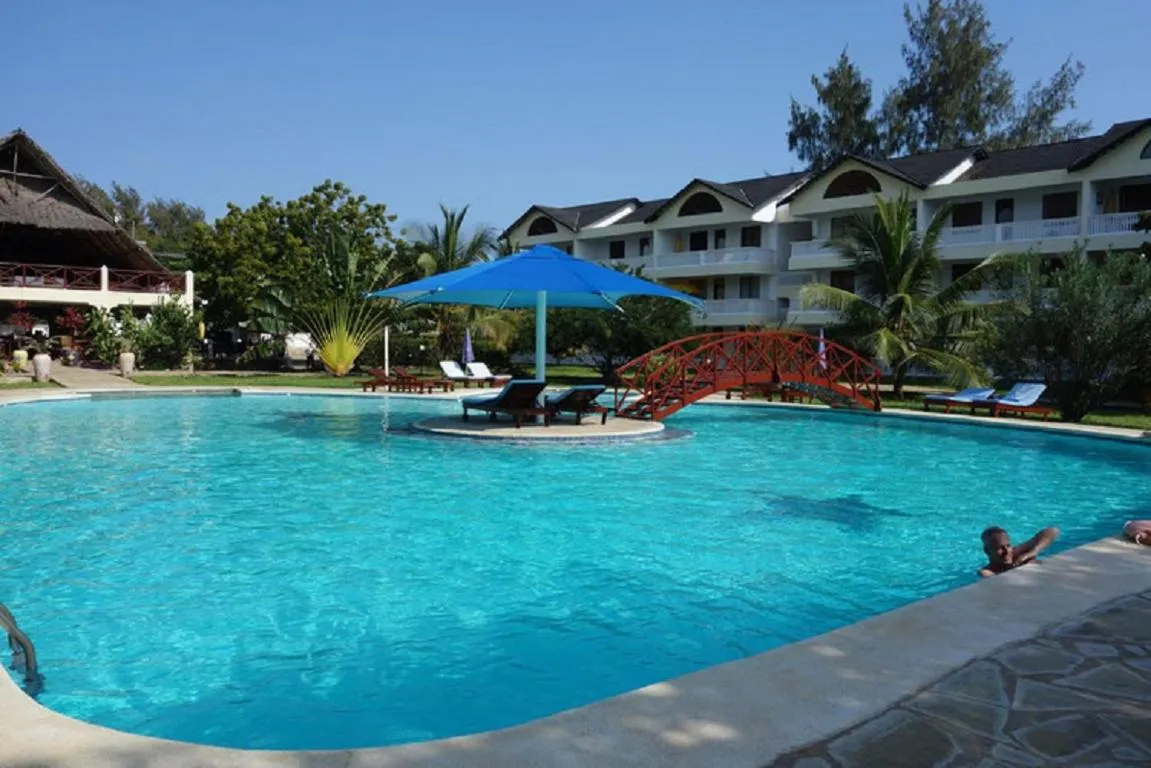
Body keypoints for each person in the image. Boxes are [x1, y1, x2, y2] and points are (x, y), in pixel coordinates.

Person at [979, 526, 1060, 577]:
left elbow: (1053, 531)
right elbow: (998, 581)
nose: (1007, 551)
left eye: (1008, 546)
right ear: (987, 551)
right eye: (999, 548)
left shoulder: (1017, 553)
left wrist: (1032, 552)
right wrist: (1018, 568)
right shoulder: (987, 571)